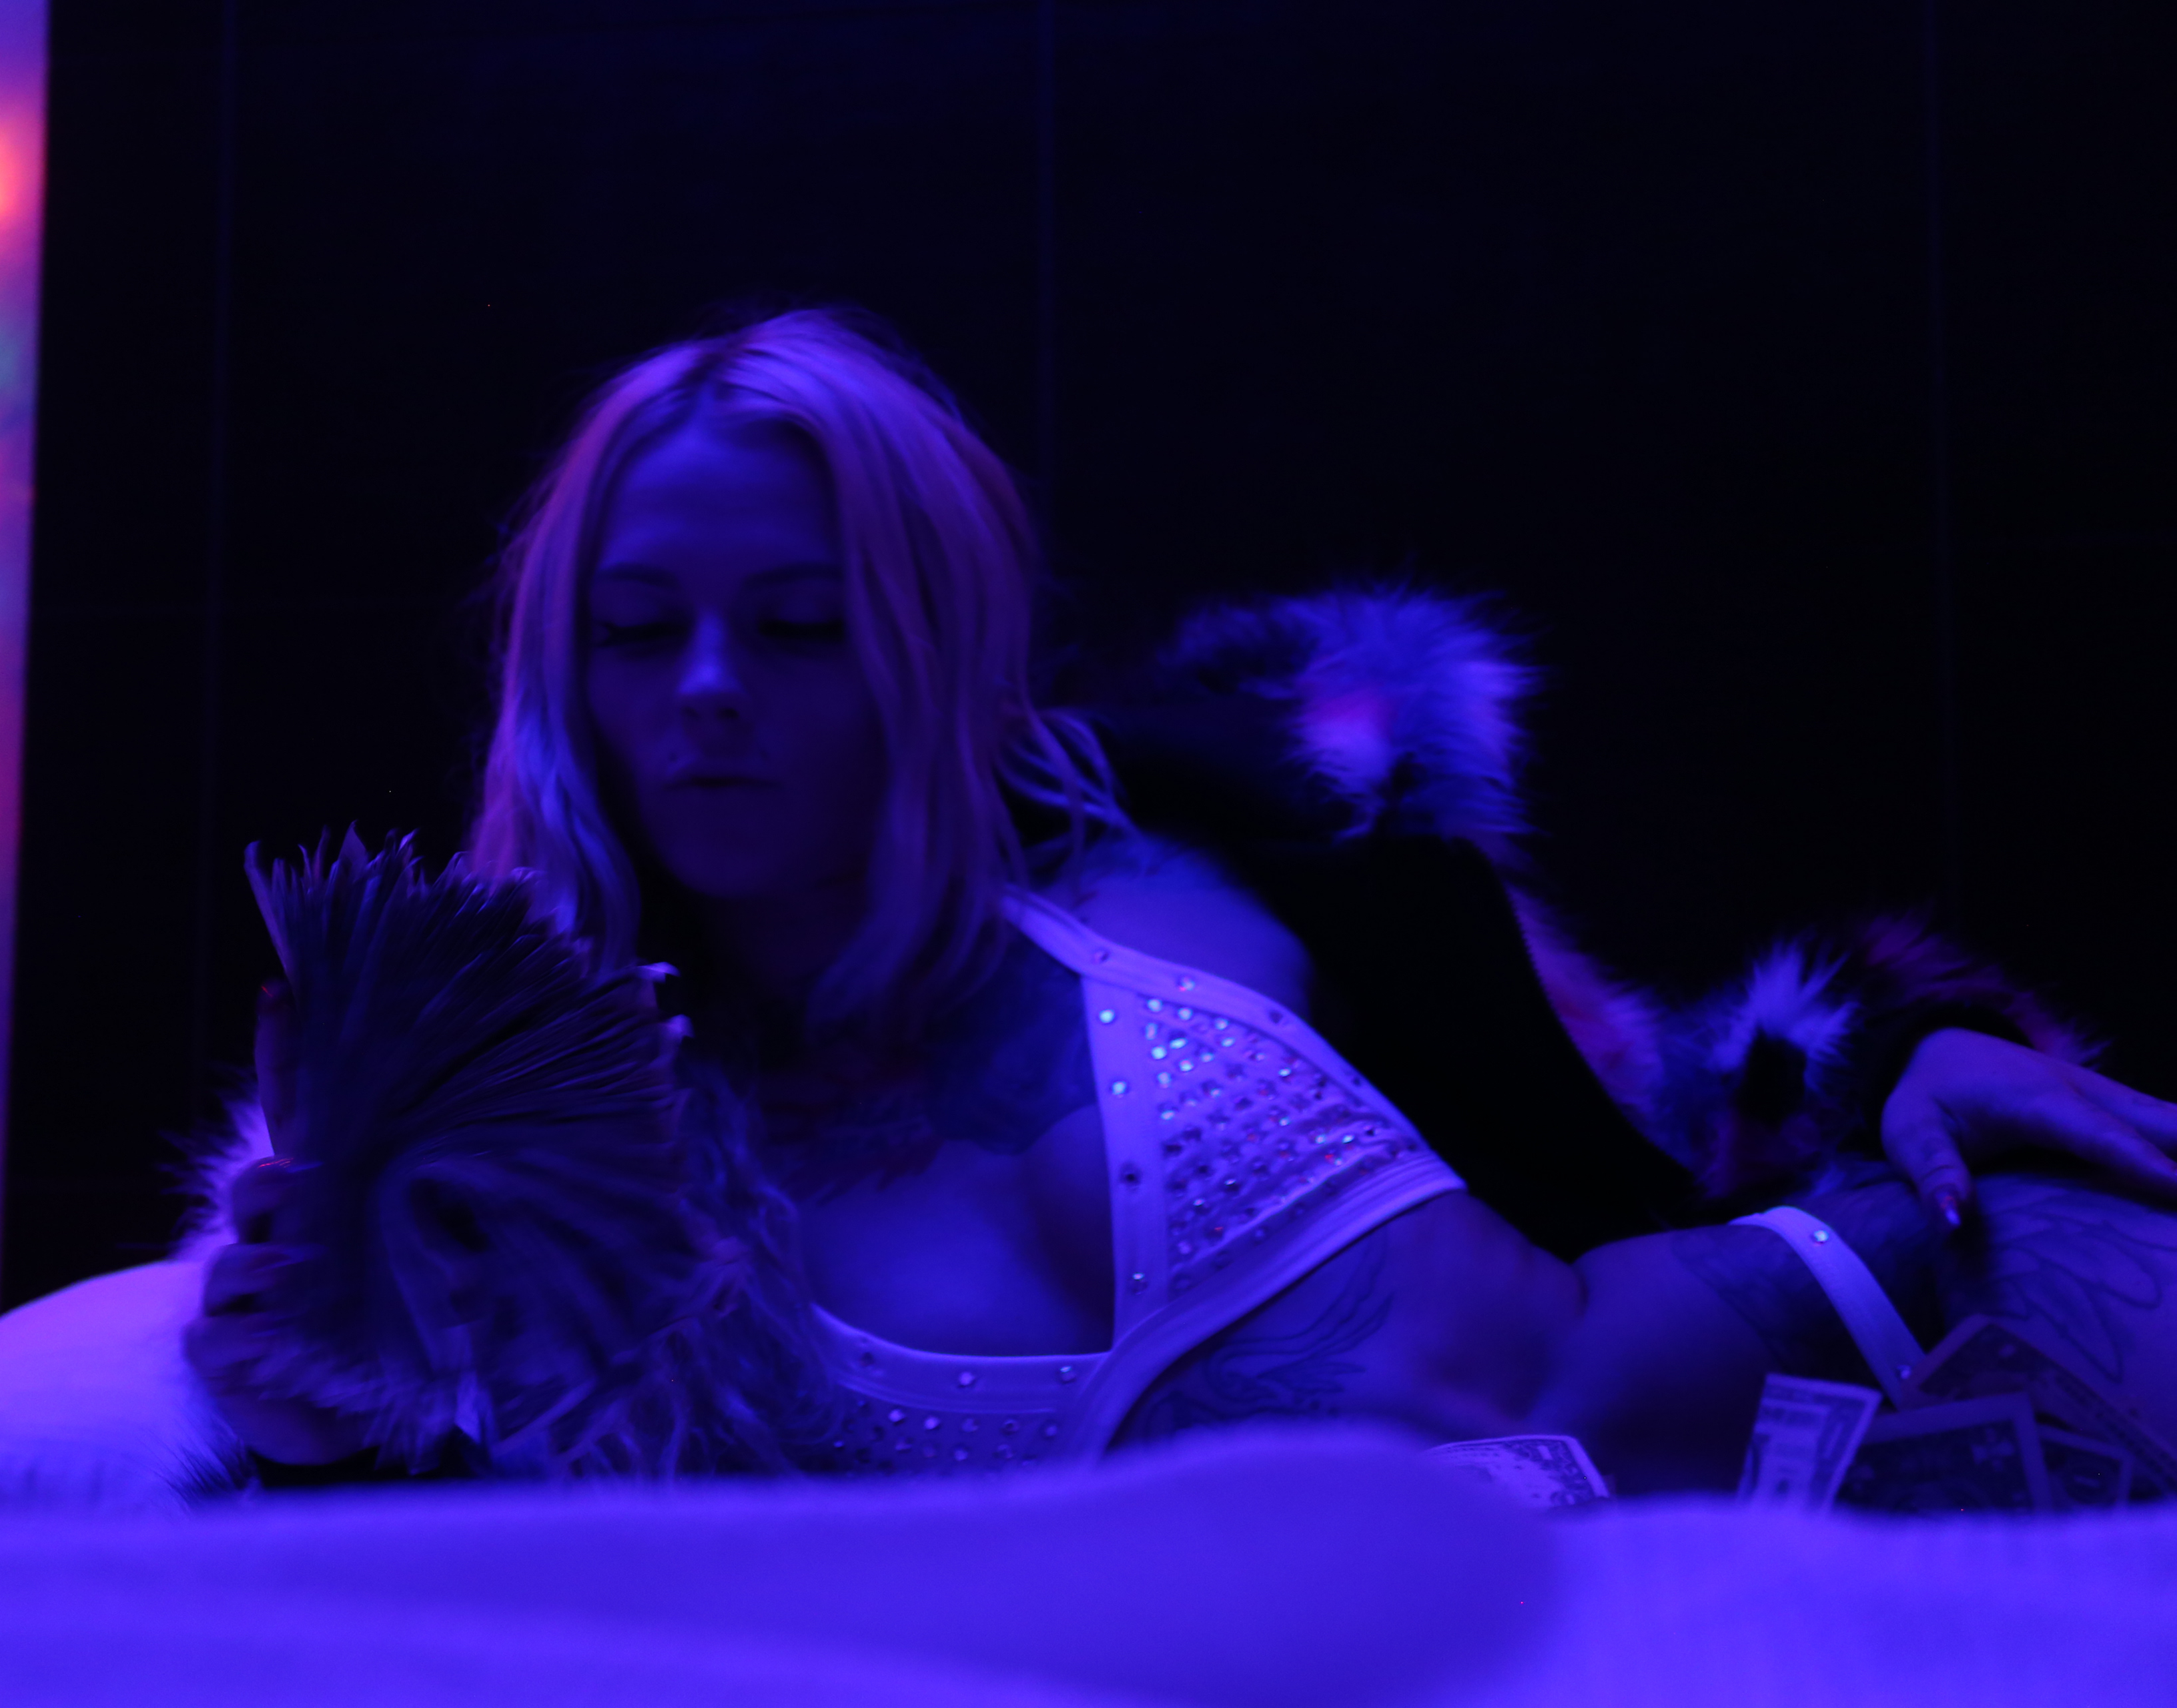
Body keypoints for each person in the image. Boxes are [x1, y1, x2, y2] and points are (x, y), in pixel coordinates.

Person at [185, 310, 2177, 1492]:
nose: (708, 689)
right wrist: (305, 1423)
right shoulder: (517, 1160)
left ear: (924, 639)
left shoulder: (1212, 849)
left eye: (797, 622)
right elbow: (489, 1589)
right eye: (639, 629)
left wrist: (1908, 1054)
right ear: (566, 671)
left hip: (1911, 1348)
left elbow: (1645, 1102)